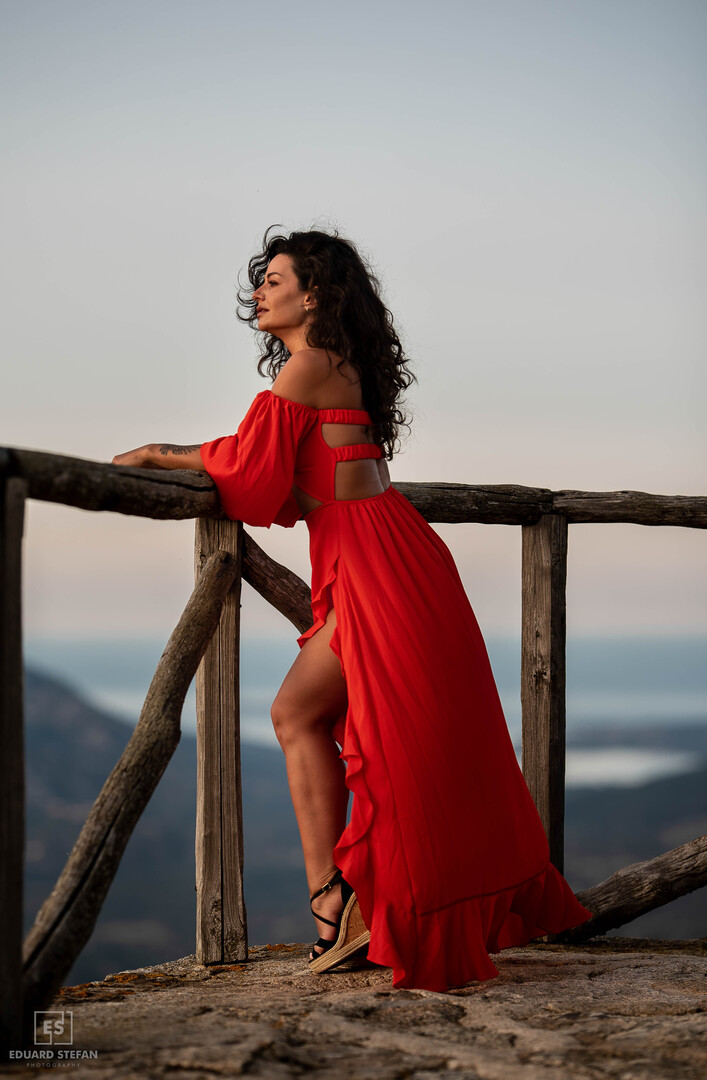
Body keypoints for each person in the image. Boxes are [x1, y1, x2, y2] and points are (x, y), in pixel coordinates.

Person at [113, 226, 593, 992]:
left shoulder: (306, 366)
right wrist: (178, 451)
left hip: (376, 566)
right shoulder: (331, 365)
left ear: (315, 293)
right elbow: (254, 451)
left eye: (275, 279)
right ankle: (345, 904)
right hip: (387, 556)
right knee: (355, 729)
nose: (259, 291)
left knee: (314, 720)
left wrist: (160, 455)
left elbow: (248, 469)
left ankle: (336, 904)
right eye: (260, 280)